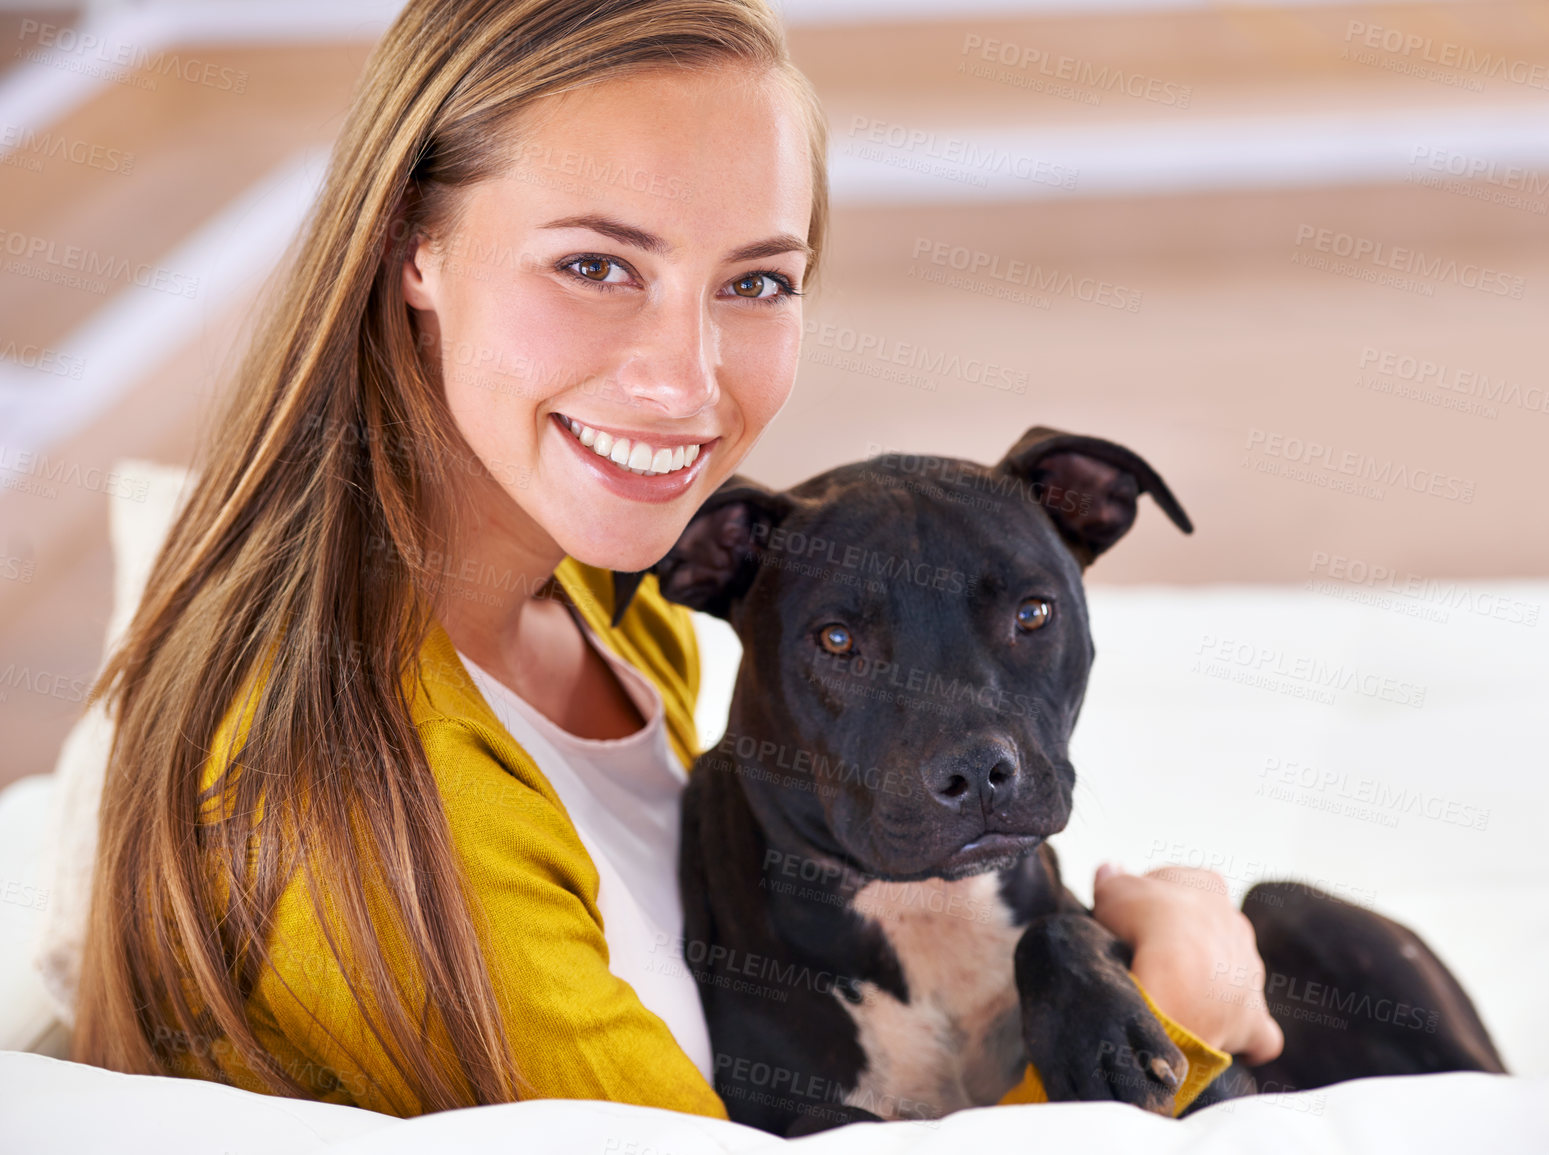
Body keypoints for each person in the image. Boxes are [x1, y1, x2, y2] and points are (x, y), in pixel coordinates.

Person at [71, 0, 1279, 1119]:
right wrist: (1183, 1008)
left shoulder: (597, 585)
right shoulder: (389, 824)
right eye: (596, 265)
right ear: (412, 250)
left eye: (755, 280)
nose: (684, 380)